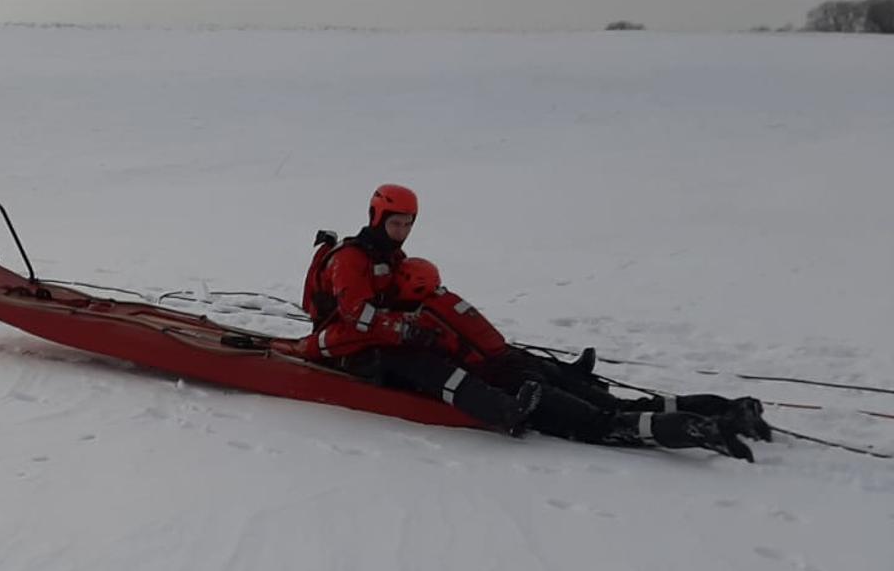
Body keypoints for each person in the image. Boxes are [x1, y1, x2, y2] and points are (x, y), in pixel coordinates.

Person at [391, 258, 767, 461]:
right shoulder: (446, 301)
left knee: (602, 422)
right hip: (524, 362)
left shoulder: (420, 322)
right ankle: (722, 409)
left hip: (517, 384)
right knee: (620, 404)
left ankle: (696, 428)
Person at [275, 184, 542, 436]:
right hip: (348, 347)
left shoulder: (391, 257)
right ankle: (504, 412)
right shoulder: (350, 259)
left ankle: (511, 386)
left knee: (449, 350)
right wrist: (404, 329)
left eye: (407, 225)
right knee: (424, 365)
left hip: (378, 339)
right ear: (376, 219)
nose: (401, 232)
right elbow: (356, 315)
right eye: (394, 224)